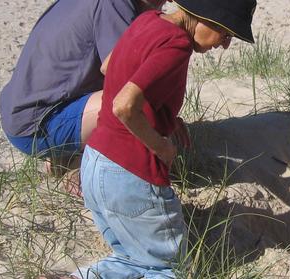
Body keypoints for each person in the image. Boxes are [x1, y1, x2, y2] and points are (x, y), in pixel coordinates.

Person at [75, 0, 256, 277]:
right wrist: (161, 146)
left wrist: (165, 118)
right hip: (130, 173)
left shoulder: (148, 20)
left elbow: (110, 66)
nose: (225, 44)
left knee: (129, 259)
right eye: (226, 34)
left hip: (95, 162)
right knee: (169, 269)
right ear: (208, 16)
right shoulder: (177, 45)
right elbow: (124, 106)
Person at [0, 0, 166, 192]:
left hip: (19, 115)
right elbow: (123, 73)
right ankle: (83, 165)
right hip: (35, 129)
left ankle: (67, 155)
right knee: (139, 104)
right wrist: (162, 122)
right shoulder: (114, 3)